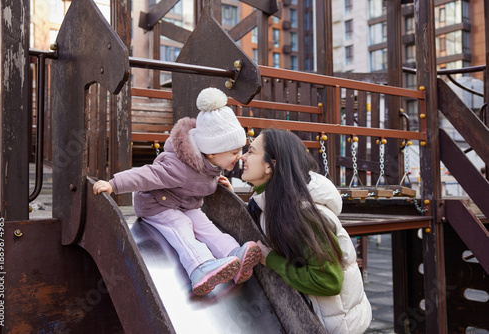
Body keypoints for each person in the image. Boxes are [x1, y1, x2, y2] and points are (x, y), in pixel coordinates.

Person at [93, 87, 260, 296]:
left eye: (241, 150)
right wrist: (113, 184)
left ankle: (233, 254)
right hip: (157, 205)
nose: (239, 156)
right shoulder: (177, 167)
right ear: (211, 150)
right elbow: (145, 175)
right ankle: (199, 267)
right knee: (181, 226)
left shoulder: (211, 164)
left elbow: (205, 174)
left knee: (205, 226)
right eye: (234, 152)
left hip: (185, 203)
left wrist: (218, 181)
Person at [239, 128, 372, 333]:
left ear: (270, 165)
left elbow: (329, 281)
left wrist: (270, 259)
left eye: (251, 151)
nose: (243, 156)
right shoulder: (272, 203)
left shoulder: (301, 214)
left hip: (333, 327)